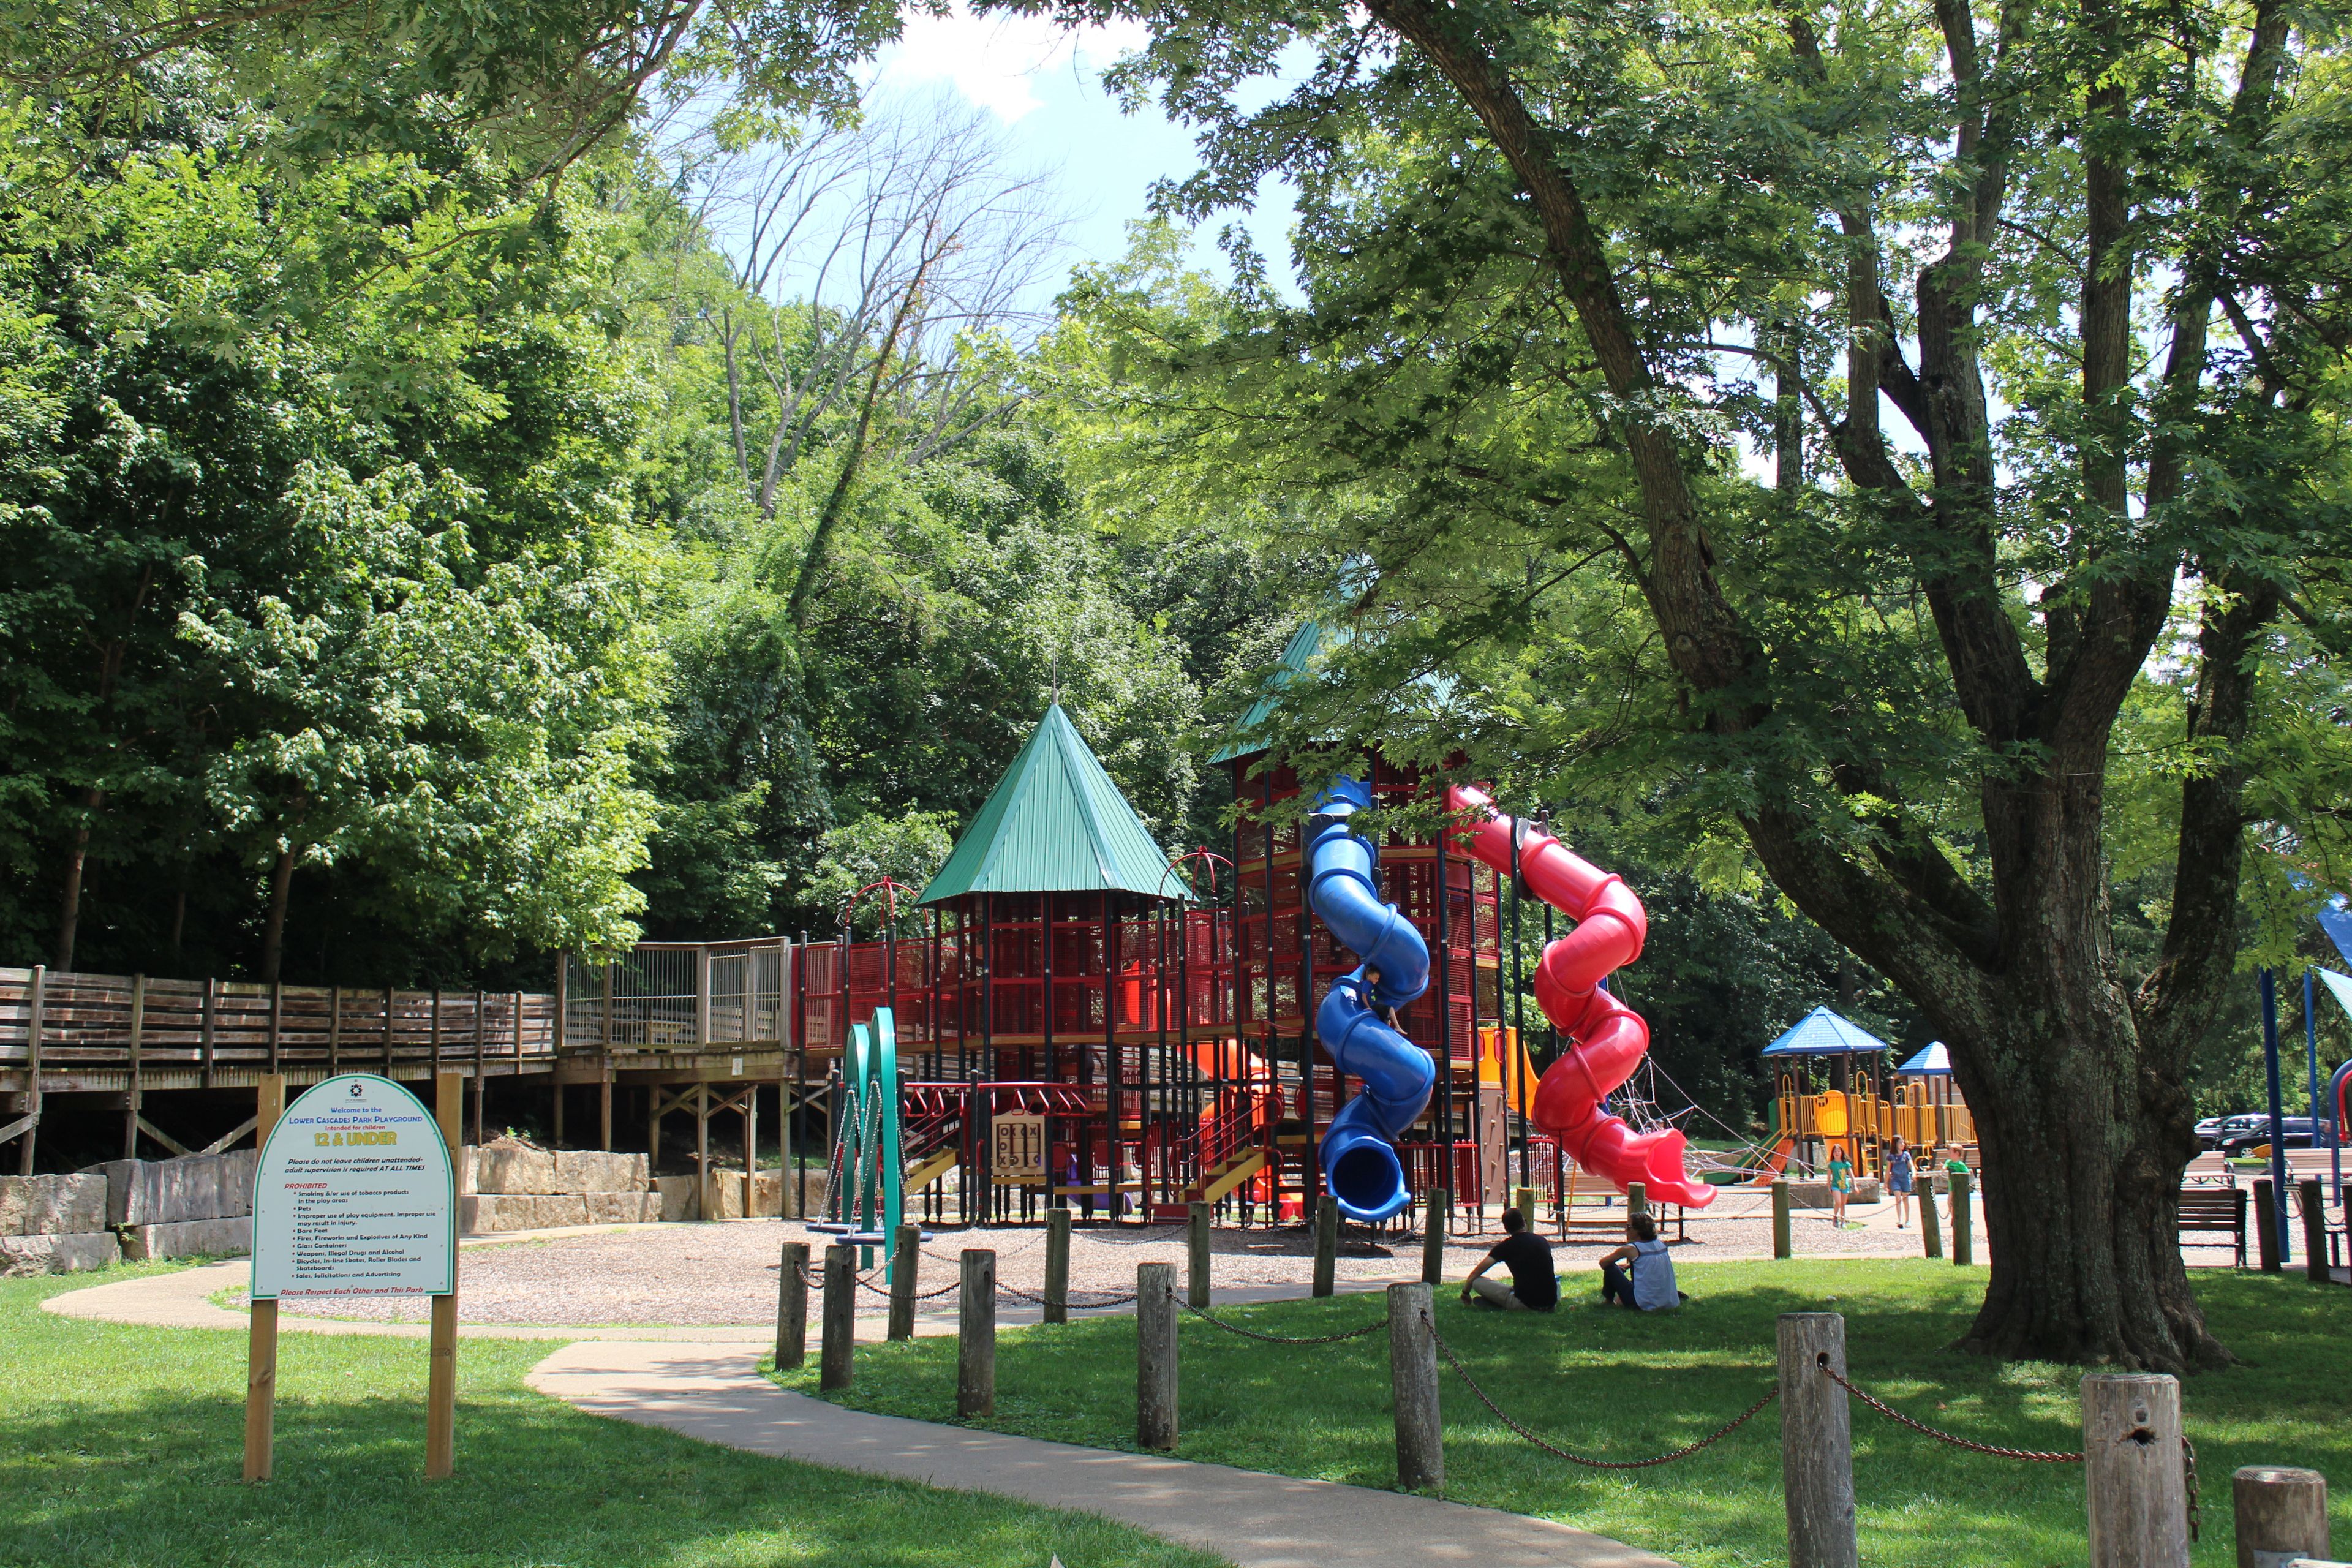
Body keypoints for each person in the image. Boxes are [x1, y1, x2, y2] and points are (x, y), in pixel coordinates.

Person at [1461, 1206, 1558, 1312]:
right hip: (1550, 1304)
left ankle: (1499, 1304)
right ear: (1524, 1222)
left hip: (1526, 1304)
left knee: (1477, 1282)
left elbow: (1476, 1272)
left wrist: (1465, 1292)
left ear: (1506, 1229)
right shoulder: (1542, 1240)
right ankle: (1497, 1303)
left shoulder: (1506, 1246)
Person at [1597, 1213, 1682, 1310]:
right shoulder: (1661, 1245)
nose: (1626, 1230)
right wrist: (1627, 1266)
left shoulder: (1630, 1249)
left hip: (1642, 1304)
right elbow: (1647, 1262)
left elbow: (1603, 1263)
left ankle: (1608, 1301)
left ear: (1639, 1230)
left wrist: (1619, 1269)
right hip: (1669, 1302)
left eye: (1629, 1227)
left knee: (1610, 1267)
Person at [1887, 1137, 1914, 1229]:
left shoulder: (1906, 1155)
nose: (1902, 1144)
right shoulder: (1891, 1156)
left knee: (1906, 1199)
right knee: (1898, 1198)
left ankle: (1908, 1220)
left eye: (1903, 1143)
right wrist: (1886, 1183)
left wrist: (1914, 1173)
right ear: (1895, 1144)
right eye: (1900, 1143)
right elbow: (1888, 1170)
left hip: (1905, 1179)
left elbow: (1911, 1165)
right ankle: (1900, 1220)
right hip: (1895, 1179)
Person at [1826, 1142, 1853, 1227]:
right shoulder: (1831, 1164)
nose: (1837, 1153)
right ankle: (1835, 1217)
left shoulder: (1846, 1164)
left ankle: (1843, 1221)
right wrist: (1829, 1186)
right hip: (1835, 1186)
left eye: (1839, 1151)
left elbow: (1851, 1175)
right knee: (1838, 1202)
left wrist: (1855, 1185)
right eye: (1835, 1152)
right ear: (1833, 1154)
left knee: (1843, 1204)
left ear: (1842, 1153)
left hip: (1845, 1186)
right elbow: (1829, 1177)